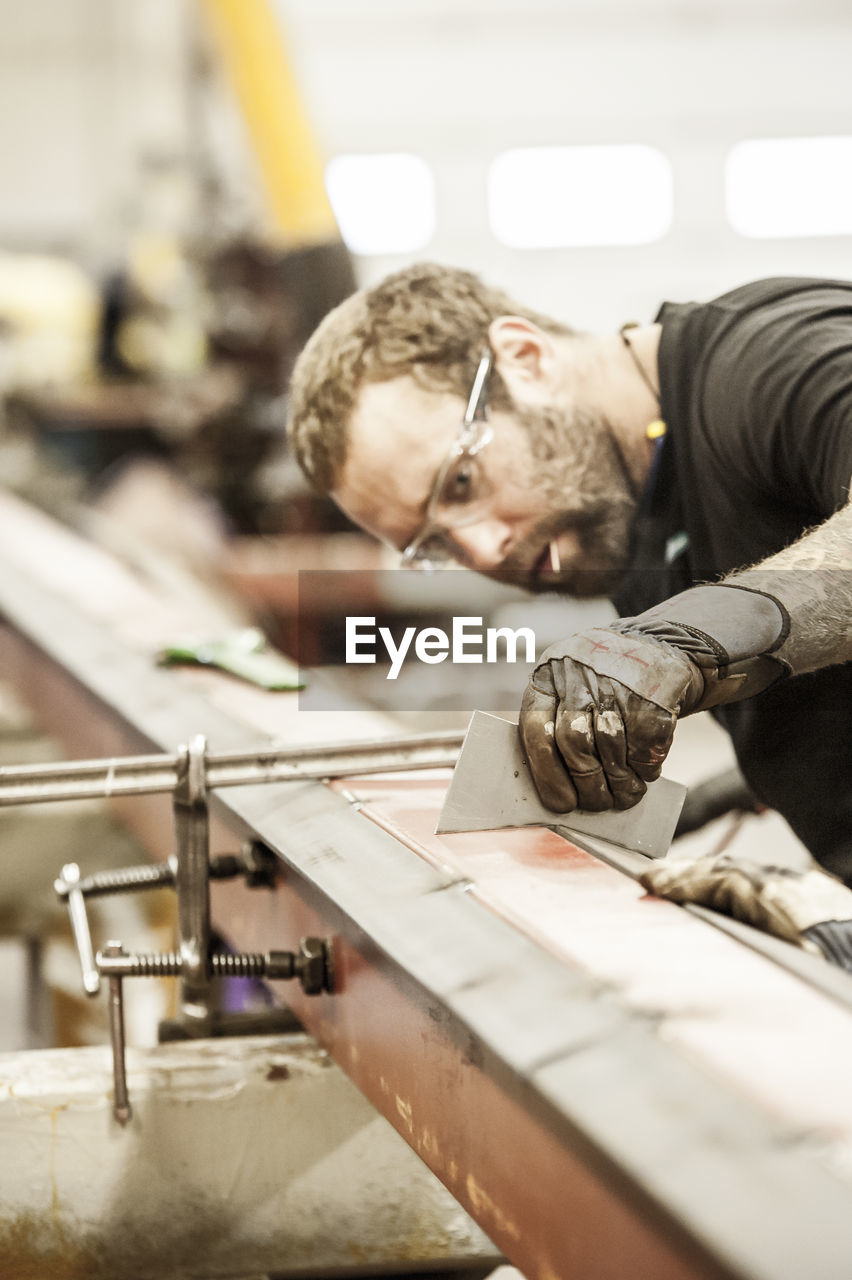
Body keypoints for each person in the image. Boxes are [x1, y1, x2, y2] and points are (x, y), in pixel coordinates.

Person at [286, 264, 852, 963]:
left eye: (461, 483)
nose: (483, 547)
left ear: (525, 358)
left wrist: (686, 642)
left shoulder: (769, 360)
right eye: (433, 544)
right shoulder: (621, 506)